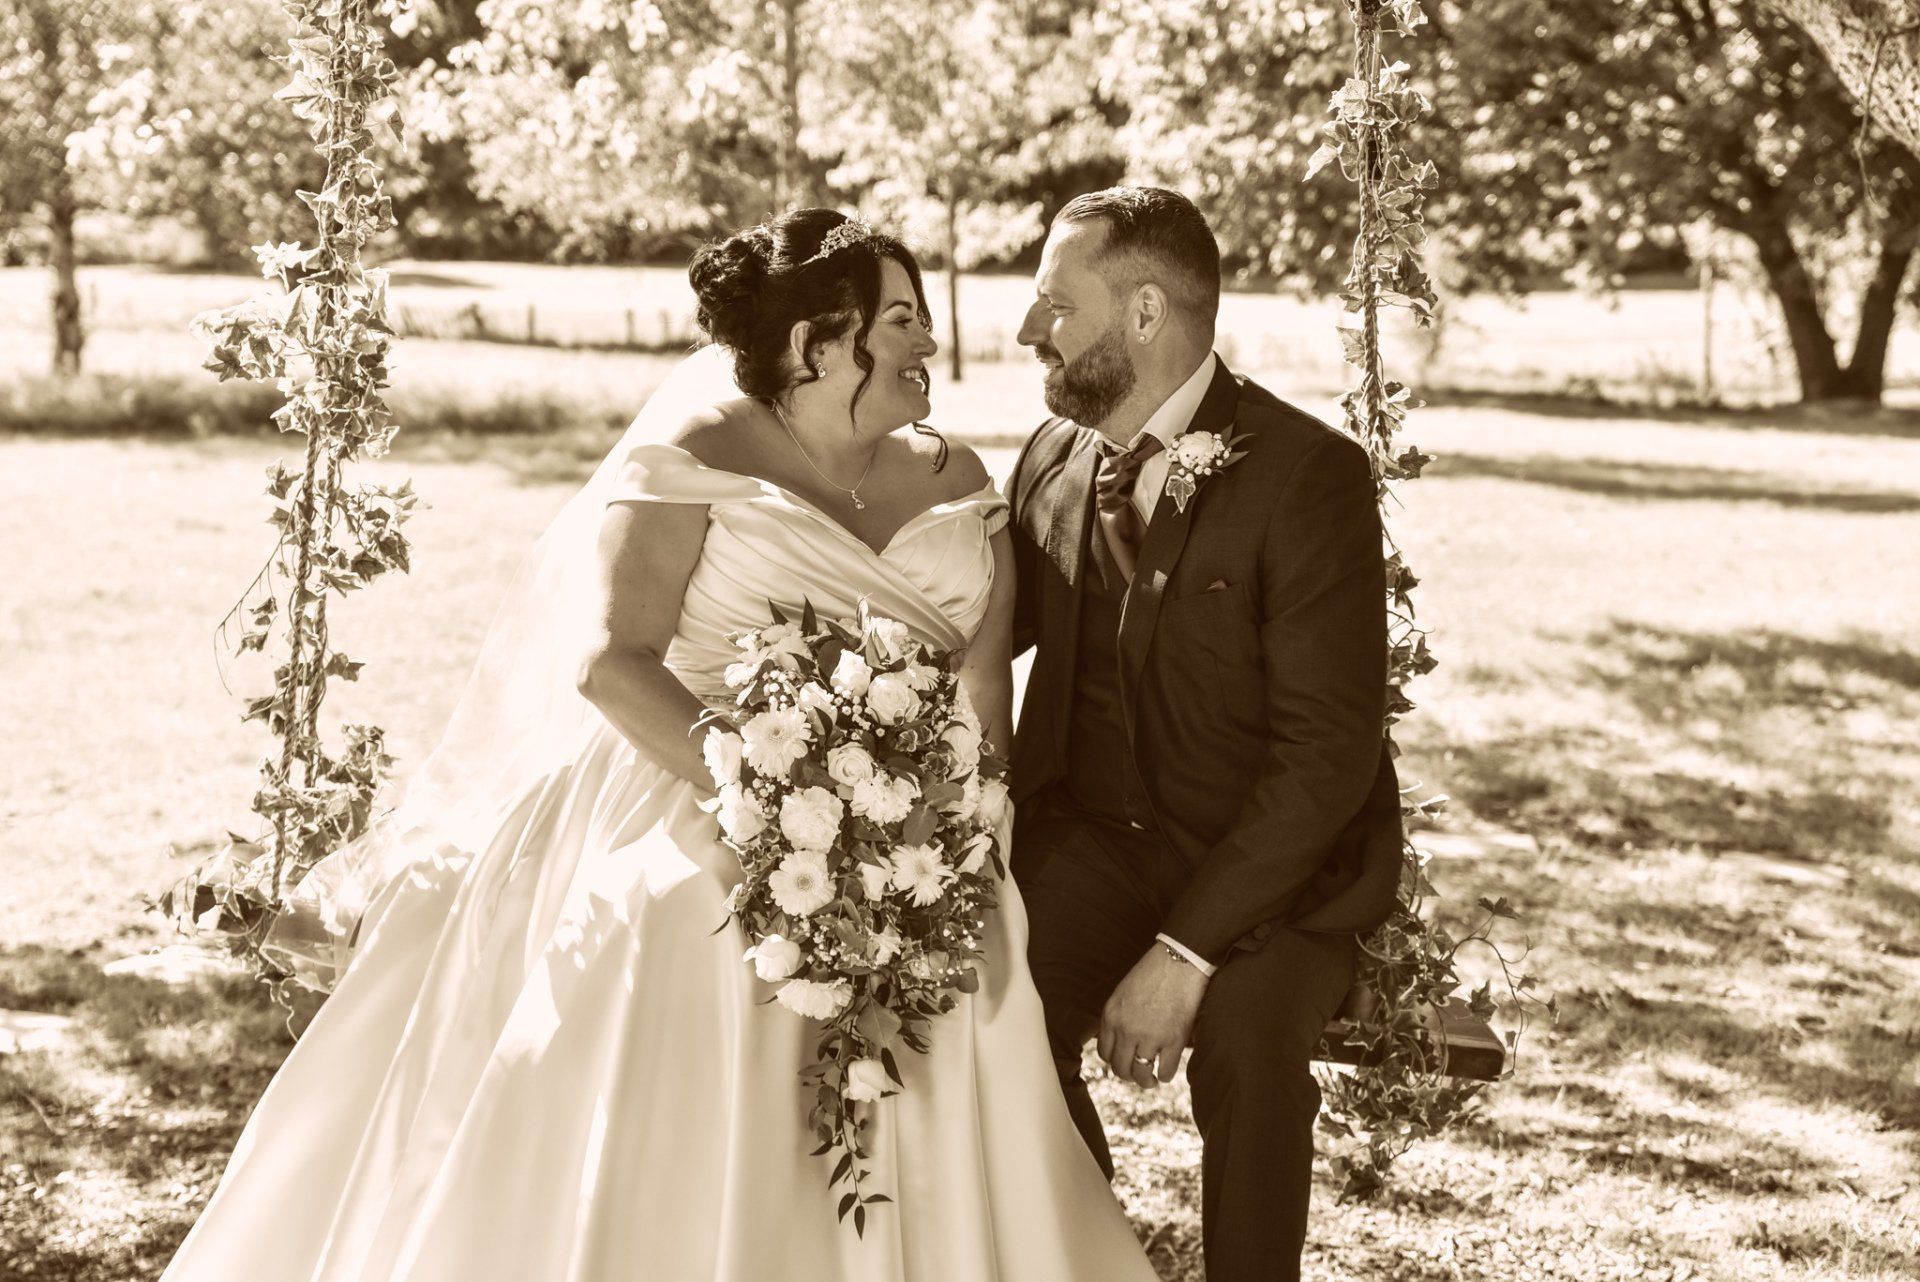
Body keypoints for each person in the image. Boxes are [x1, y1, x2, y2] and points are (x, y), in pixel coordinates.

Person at [158, 208, 1161, 1282]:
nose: (931, 343)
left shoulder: (958, 478)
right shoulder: (693, 456)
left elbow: (979, 683)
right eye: (903, 320)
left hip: (913, 820)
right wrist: (780, 800)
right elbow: (610, 661)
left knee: (974, 940)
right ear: (821, 344)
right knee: (691, 921)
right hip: (696, 776)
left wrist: (963, 822)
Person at [1007, 186, 1404, 1282]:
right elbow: (983, 632)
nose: (1028, 331)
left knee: (1249, 1046)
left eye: (1055, 304)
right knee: (990, 1003)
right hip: (1098, 842)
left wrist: (1185, 954)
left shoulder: (1304, 476)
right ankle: (1090, 1260)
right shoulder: (1052, 456)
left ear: (1144, 315)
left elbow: (1328, 752)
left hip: (1275, 871)